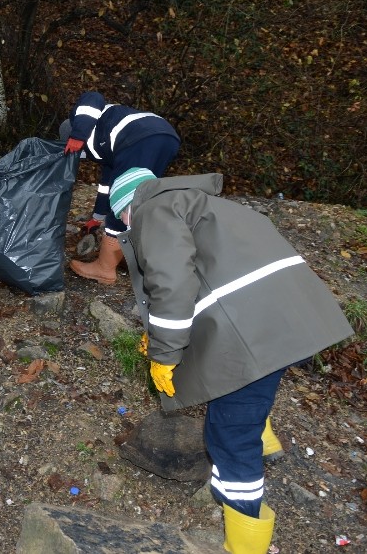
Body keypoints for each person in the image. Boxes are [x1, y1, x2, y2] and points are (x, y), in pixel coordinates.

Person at [107, 167, 353, 554]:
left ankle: (244, 539)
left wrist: (165, 352)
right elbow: (216, 282)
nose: (125, 224)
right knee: (250, 392)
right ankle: (263, 442)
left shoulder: (153, 209)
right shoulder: (210, 205)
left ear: (128, 207)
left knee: (228, 433)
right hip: (291, 320)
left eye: (121, 217)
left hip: (254, 333)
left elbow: (170, 281)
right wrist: (158, 334)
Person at [60, 91, 179, 285]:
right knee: (141, 199)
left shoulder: (81, 121)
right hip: (165, 137)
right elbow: (106, 187)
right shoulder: (108, 147)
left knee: (124, 201)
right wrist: (96, 219)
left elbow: (93, 96)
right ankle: (129, 255)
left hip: (139, 138)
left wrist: (78, 134)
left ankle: (104, 269)